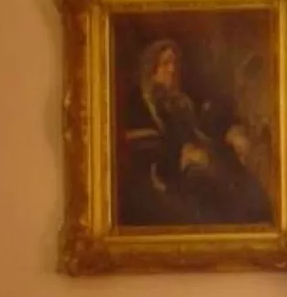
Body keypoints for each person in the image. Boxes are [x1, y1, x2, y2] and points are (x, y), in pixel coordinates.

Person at [116, 37, 271, 227]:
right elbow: (144, 147)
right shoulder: (140, 103)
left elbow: (202, 131)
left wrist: (231, 135)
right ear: (152, 69)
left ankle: (259, 220)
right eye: (165, 63)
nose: (172, 70)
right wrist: (182, 155)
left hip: (197, 163)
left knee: (235, 170)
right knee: (207, 184)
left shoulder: (183, 102)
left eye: (174, 63)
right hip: (167, 175)